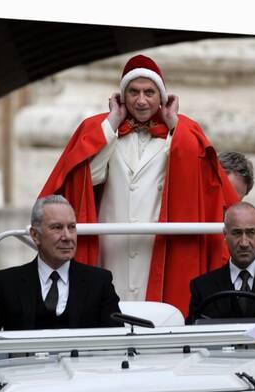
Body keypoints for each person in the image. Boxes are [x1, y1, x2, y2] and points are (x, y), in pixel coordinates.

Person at [38, 54, 239, 317]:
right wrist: (110, 124)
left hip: (158, 246)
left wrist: (174, 124)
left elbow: (193, 180)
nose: (141, 100)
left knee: (155, 312)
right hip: (112, 243)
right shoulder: (103, 130)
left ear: (162, 96)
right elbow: (88, 178)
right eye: (133, 92)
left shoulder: (180, 133)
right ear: (122, 96)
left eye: (149, 92)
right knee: (111, 309)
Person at [0, 195, 122, 331]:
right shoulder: (7, 283)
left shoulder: (99, 282)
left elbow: (117, 341)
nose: (67, 236)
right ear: (35, 235)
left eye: (72, 227)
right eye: (57, 228)